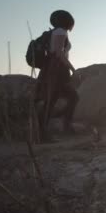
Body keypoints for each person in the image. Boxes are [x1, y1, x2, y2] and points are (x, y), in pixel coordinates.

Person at [37, 10, 79, 142]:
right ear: (67, 21)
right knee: (59, 99)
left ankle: (62, 127)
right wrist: (73, 69)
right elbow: (58, 53)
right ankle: (47, 133)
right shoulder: (61, 31)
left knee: (61, 98)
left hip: (52, 69)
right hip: (57, 70)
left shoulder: (55, 31)